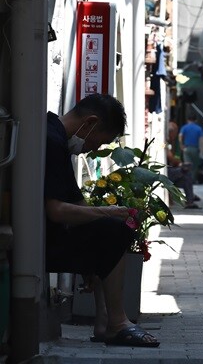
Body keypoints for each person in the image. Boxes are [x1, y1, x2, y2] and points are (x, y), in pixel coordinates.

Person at [44, 94, 159, 347]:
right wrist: (109, 213)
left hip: (48, 236)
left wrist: (95, 260)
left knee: (110, 229)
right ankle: (116, 323)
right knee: (113, 228)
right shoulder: (51, 140)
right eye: (100, 141)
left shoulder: (57, 138)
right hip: (40, 241)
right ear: (90, 123)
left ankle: (105, 321)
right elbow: (56, 211)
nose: (94, 149)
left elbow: (78, 205)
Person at [167, 119, 200, 209]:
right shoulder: (165, 142)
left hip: (171, 172)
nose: (175, 136)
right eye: (175, 133)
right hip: (166, 174)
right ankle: (190, 199)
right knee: (186, 171)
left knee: (187, 175)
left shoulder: (173, 142)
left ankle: (190, 201)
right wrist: (180, 164)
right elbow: (171, 158)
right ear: (171, 133)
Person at [178, 113, 203, 182]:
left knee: (187, 165)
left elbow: (180, 136)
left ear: (187, 120)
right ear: (195, 120)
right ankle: (193, 180)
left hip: (186, 148)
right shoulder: (199, 128)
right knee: (195, 166)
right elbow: (201, 140)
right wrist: (202, 150)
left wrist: (181, 145)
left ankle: (187, 180)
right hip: (195, 149)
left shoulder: (184, 127)